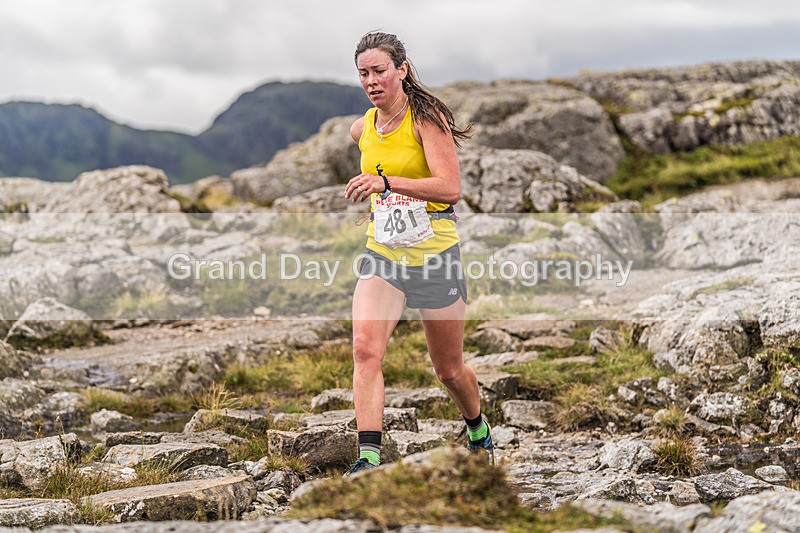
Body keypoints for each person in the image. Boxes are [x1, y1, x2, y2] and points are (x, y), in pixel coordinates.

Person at [342, 31, 493, 476]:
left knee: (448, 371)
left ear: (402, 71)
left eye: (380, 71)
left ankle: (477, 426)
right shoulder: (363, 127)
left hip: (434, 255)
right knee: (365, 349)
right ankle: (368, 457)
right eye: (363, 74)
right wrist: (378, 193)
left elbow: (450, 189)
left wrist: (387, 183)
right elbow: (370, 147)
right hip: (383, 254)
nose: (371, 81)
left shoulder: (426, 119)